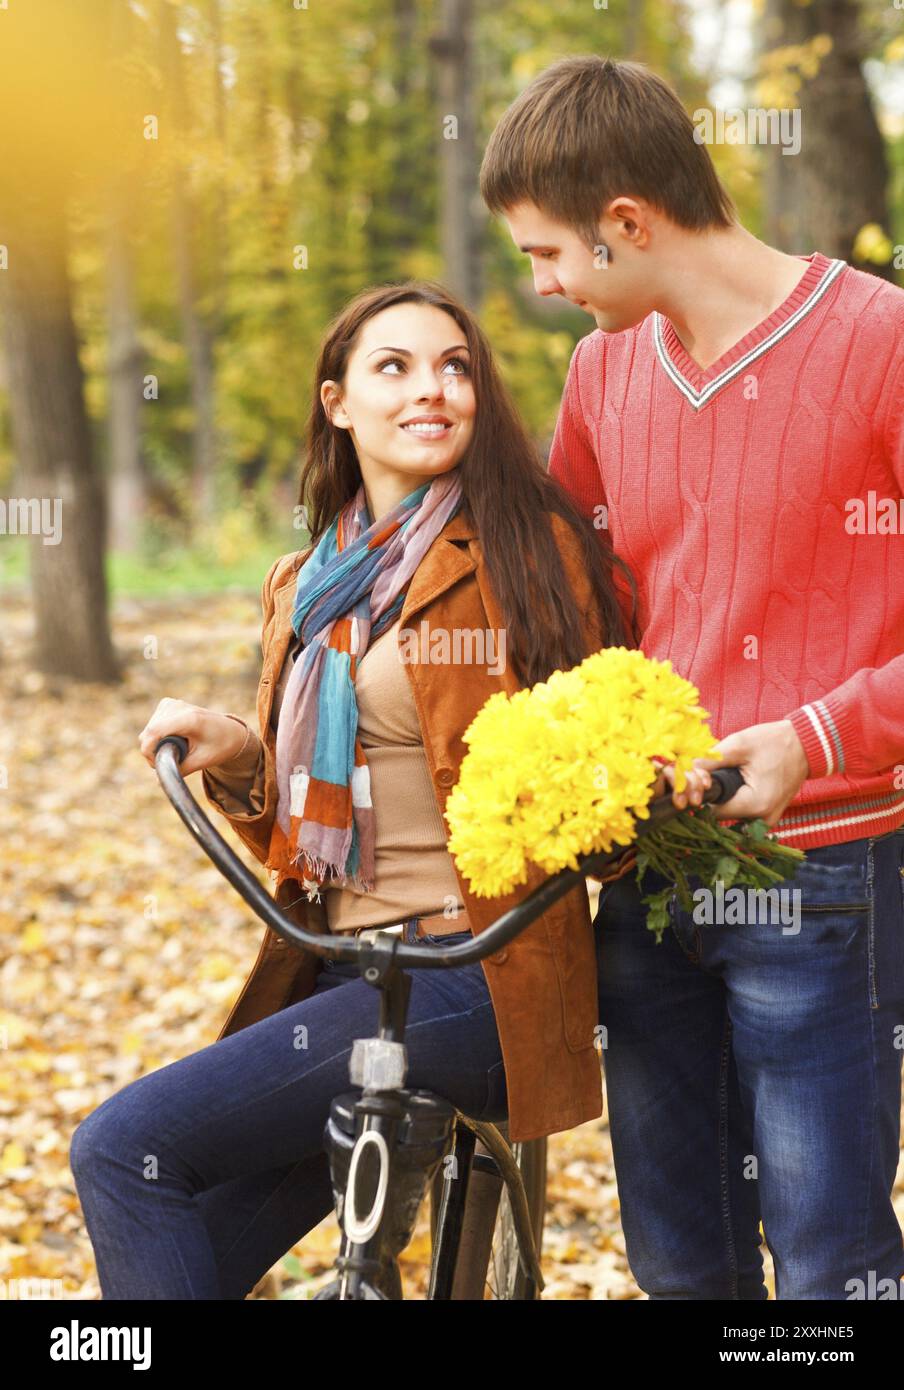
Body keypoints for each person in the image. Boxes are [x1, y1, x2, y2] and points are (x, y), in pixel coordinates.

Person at [68, 279, 640, 1300]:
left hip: (471, 978)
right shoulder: (306, 580)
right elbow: (301, 834)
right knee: (180, 1219)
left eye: (454, 365)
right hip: (343, 973)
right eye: (396, 367)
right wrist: (242, 750)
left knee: (120, 1148)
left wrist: (598, 787)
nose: (433, 389)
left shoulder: (526, 550)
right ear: (337, 402)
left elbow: (614, 780)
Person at [479, 54, 904, 1300]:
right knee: (680, 1263)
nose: (545, 286)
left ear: (626, 223)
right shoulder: (602, 377)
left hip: (821, 873)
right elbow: (570, 605)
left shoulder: (877, 343)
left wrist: (814, 738)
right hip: (647, 878)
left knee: (830, 1263)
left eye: (545, 255)